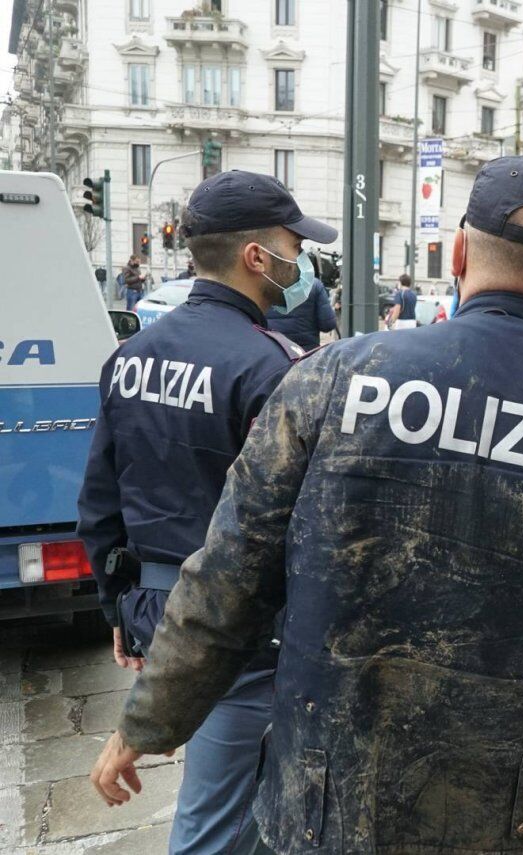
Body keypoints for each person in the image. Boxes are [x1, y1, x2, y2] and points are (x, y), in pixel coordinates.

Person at [88, 156, 523, 855]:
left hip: (331, 795)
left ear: (461, 252)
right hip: (508, 806)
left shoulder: (332, 381)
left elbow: (228, 577)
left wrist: (148, 722)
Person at [77, 170, 337, 854]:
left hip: (155, 604)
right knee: (214, 823)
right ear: (257, 257)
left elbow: (99, 503)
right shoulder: (271, 367)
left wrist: (117, 609)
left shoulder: (129, 356)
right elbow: (302, 524)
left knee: (240, 801)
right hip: (236, 624)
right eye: (292, 243)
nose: (300, 258)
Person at [266, 264, 338, 351]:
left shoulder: (264, 285)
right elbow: (328, 325)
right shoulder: (314, 285)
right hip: (306, 355)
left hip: (274, 352)